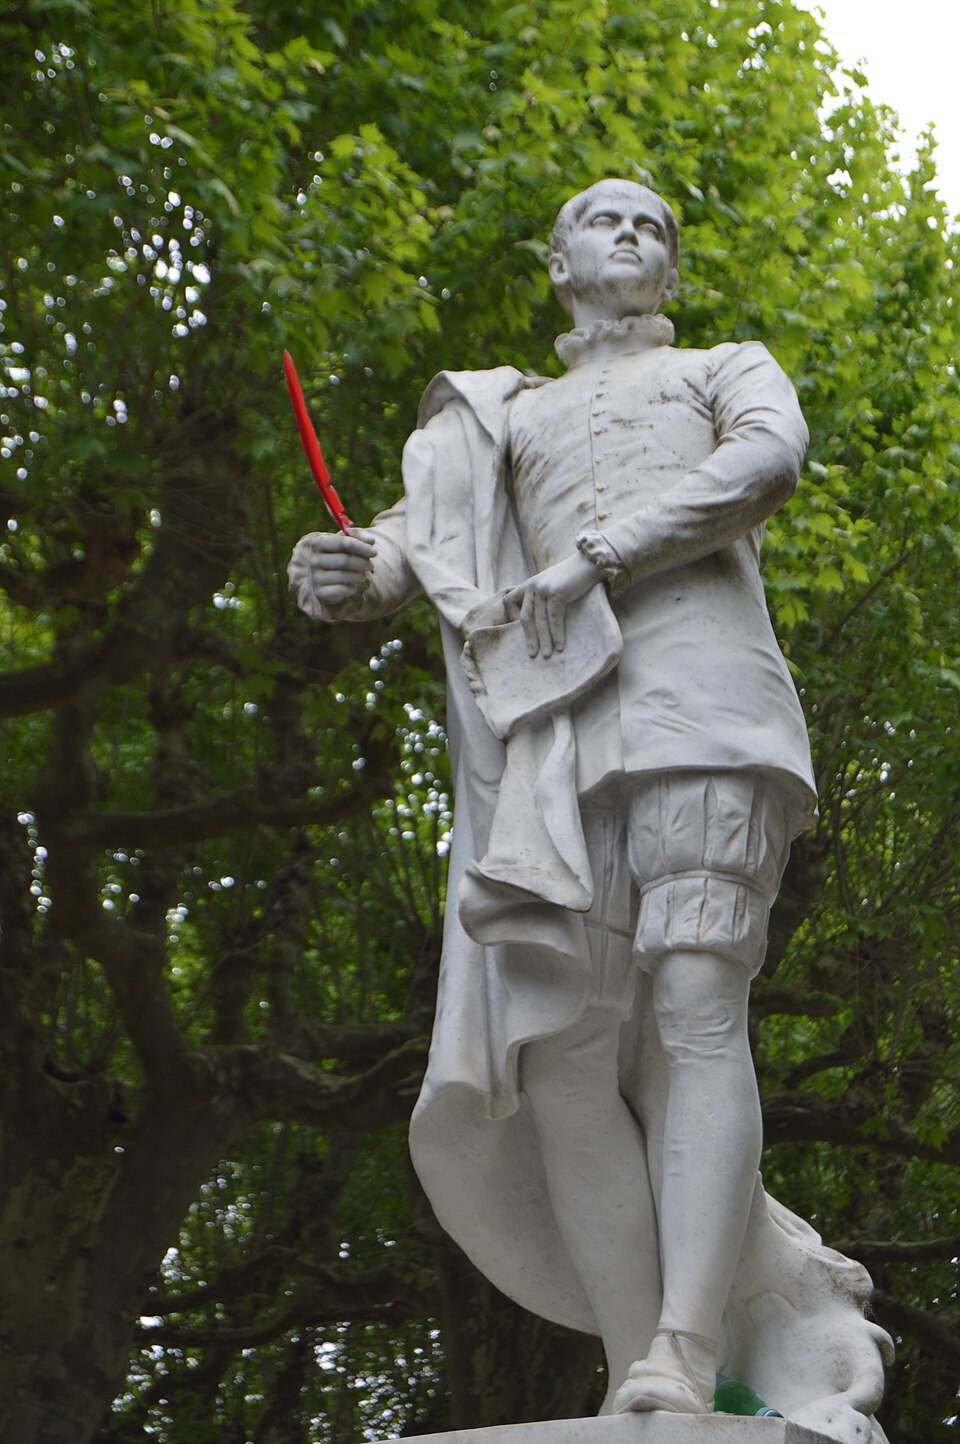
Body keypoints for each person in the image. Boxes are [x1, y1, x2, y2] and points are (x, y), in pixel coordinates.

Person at [289, 180, 891, 1441]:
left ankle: (689, 1341)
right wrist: (353, 568)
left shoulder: (724, 366)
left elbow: (766, 461)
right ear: (557, 263)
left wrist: (599, 556)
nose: (632, 236)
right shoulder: (501, 414)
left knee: (695, 1007)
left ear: (670, 271)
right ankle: (640, 1373)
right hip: (553, 741)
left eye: (652, 227)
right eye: (605, 222)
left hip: (706, 708)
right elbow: (423, 539)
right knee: (560, 1052)